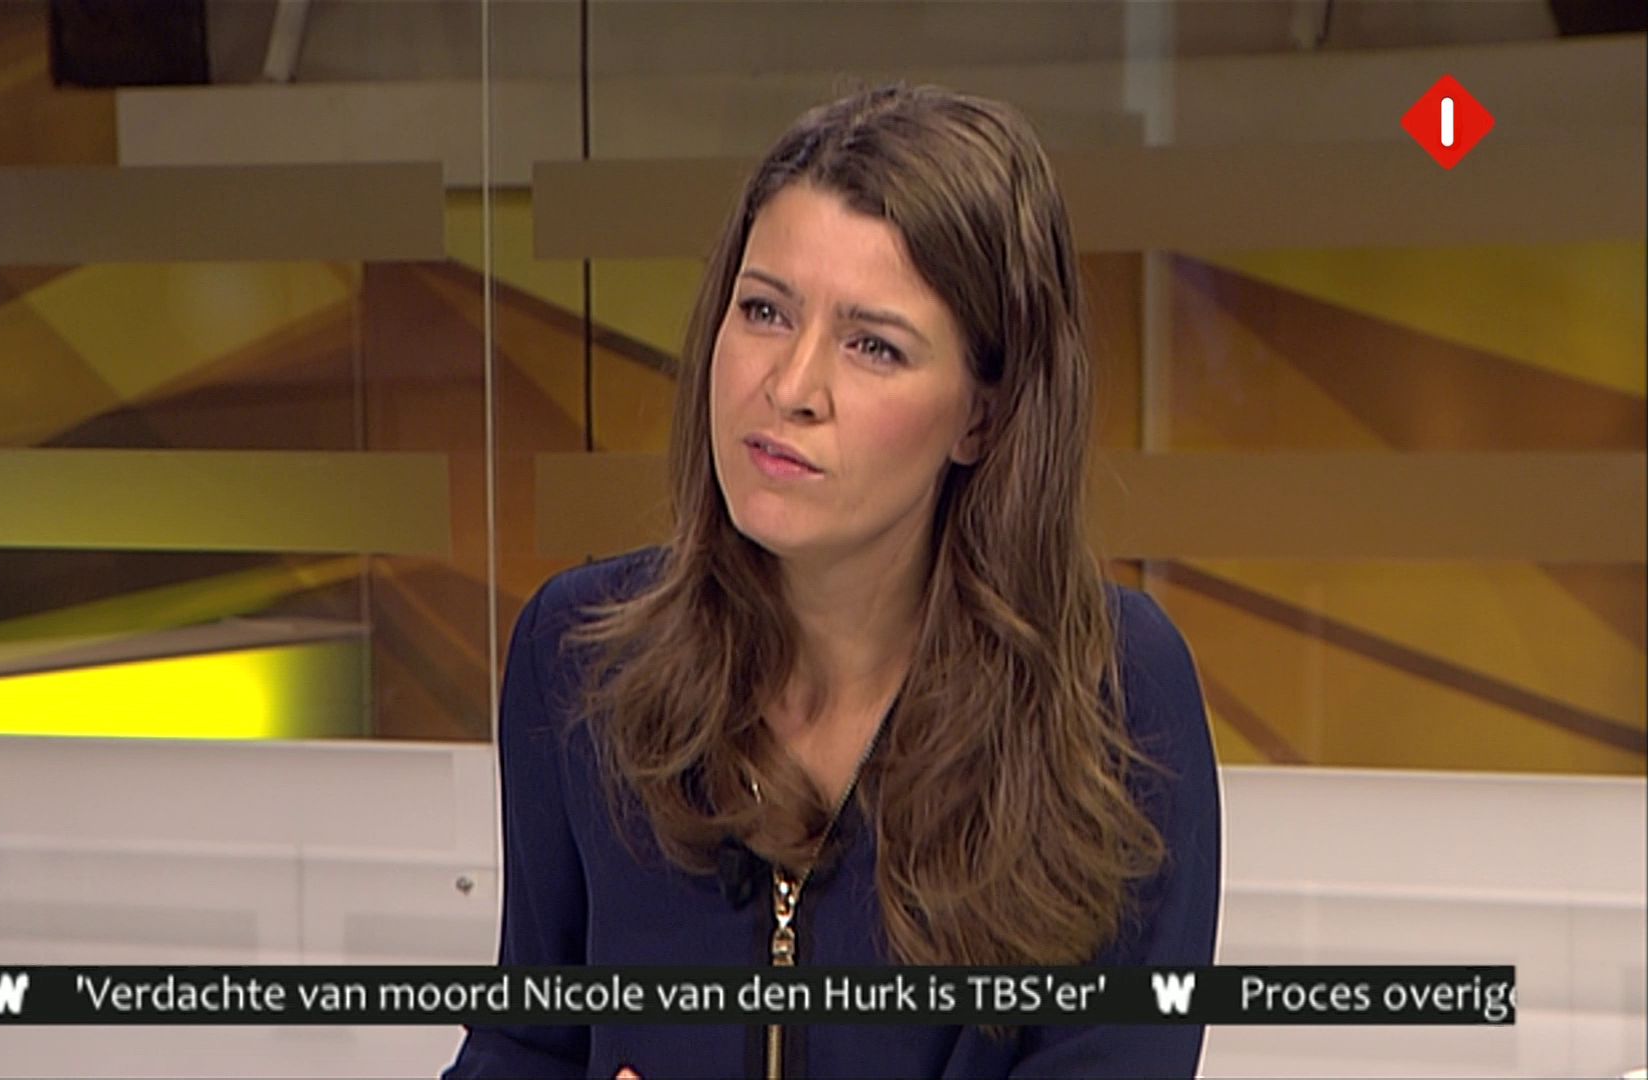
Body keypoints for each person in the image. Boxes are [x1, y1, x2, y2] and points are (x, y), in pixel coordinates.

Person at [443, 83, 1221, 1079]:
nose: (790, 387)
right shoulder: (580, 655)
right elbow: (526, 1041)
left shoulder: (1113, 694)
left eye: (873, 346)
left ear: (982, 417)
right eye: (764, 311)